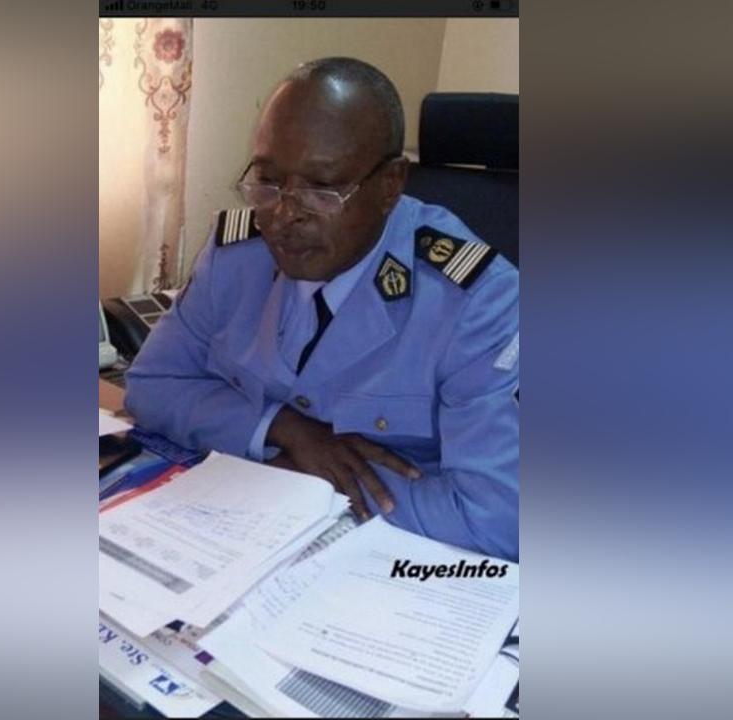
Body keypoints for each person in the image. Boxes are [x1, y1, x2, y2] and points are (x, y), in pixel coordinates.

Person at [124, 57, 519, 561]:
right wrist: (282, 428)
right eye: (268, 179)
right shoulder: (237, 257)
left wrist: (313, 482)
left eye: (322, 189)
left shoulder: (478, 302)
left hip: (391, 563)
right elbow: (152, 385)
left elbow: (498, 519)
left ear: (390, 184)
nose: (284, 215)